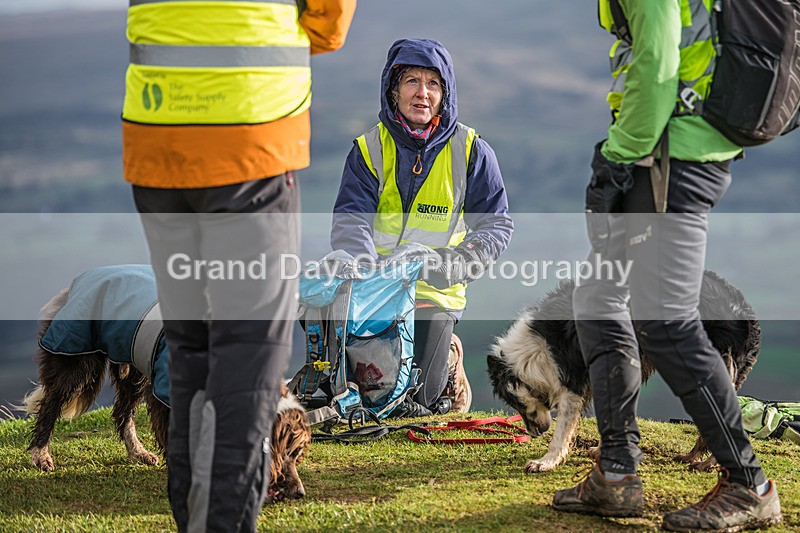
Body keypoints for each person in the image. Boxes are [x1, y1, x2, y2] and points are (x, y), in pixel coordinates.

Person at [121, 1, 355, 531]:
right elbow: (328, 24)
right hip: (248, 144)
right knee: (247, 363)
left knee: (193, 352)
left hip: (156, 140)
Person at [555, 1, 783, 531]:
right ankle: (616, 475)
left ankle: (750, 484)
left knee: (665, 322)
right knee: (599, 297)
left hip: (667, 157)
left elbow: (657, 63)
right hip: (662, 153)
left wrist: (617, 155)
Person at [330, 38, 513, 417]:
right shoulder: (369, 149)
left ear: (445, 94)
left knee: (417, 404)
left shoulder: (471, 150)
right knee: (371, 401)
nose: (422, 93)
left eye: (433, 84)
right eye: (412, 81)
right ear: (393, 89)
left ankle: (448, 357)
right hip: (375, 293)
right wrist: (367, 272)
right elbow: (350, 222)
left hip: (434, 290)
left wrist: (455, 263)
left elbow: (495, 226)